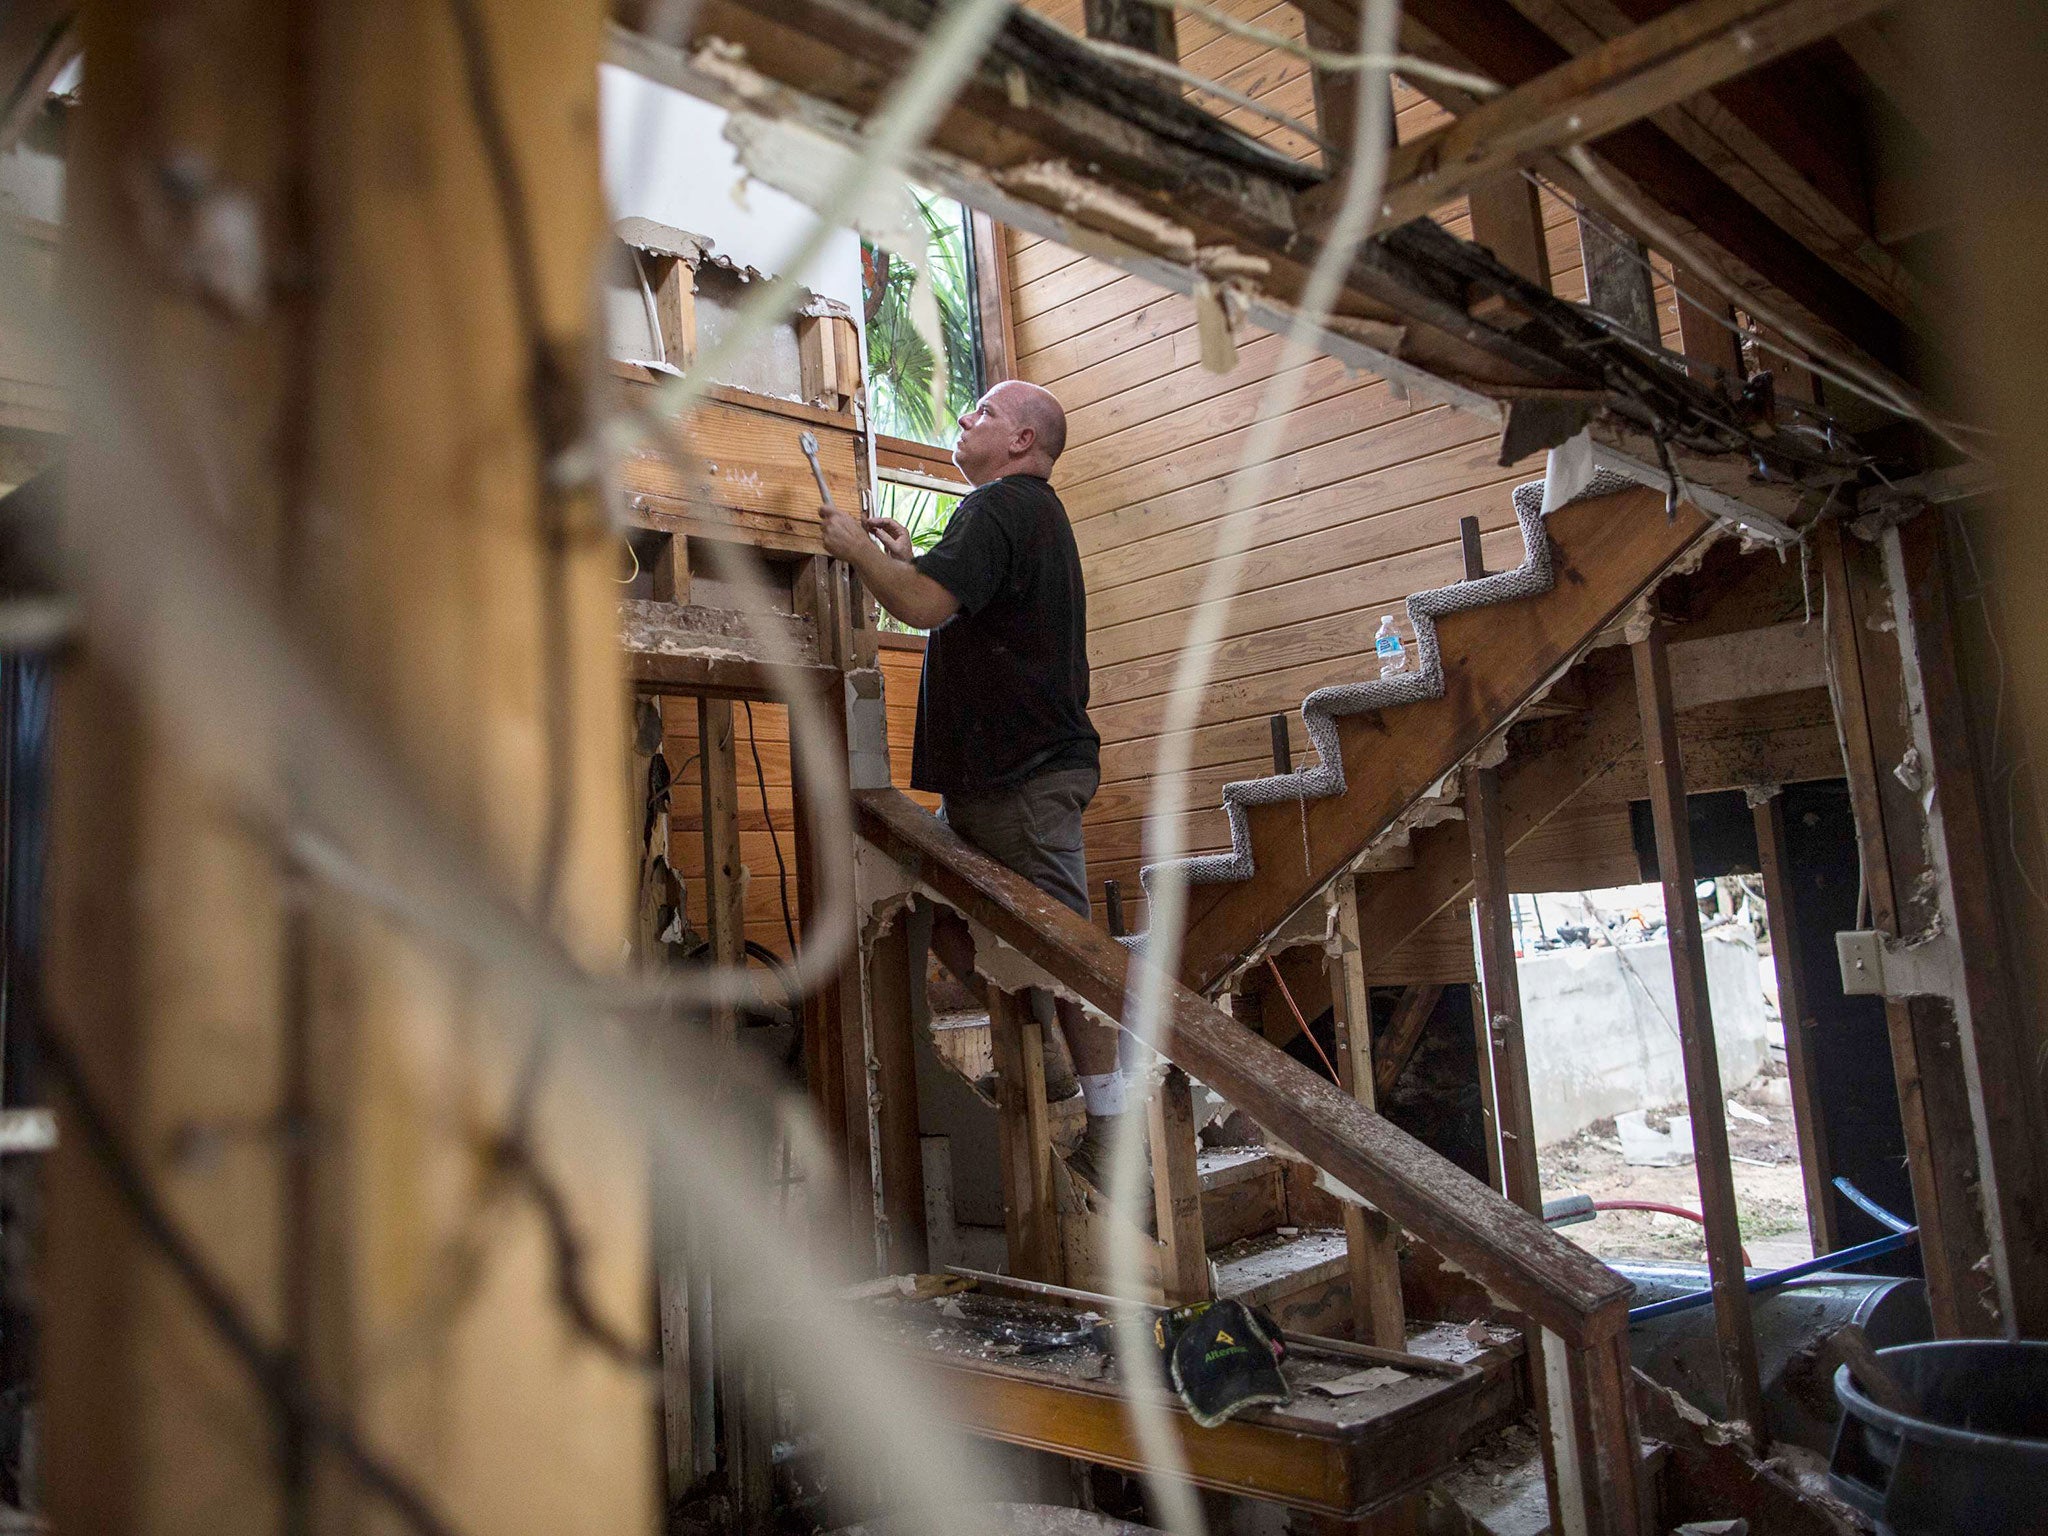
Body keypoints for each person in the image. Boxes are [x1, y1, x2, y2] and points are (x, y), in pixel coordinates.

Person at [820, 379, 1126, 1187]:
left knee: (1066, 954)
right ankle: (1049, 1070)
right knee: (942, 921)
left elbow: (921, 610)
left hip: (1024, 779)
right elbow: (951, 601)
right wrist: (906, 562)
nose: (963, 419)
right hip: (995, 779)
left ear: (1024, 440)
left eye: (984, 411)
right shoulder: (1019, 517)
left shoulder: (1000, 507)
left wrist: (855, 552)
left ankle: (1115, 1130)